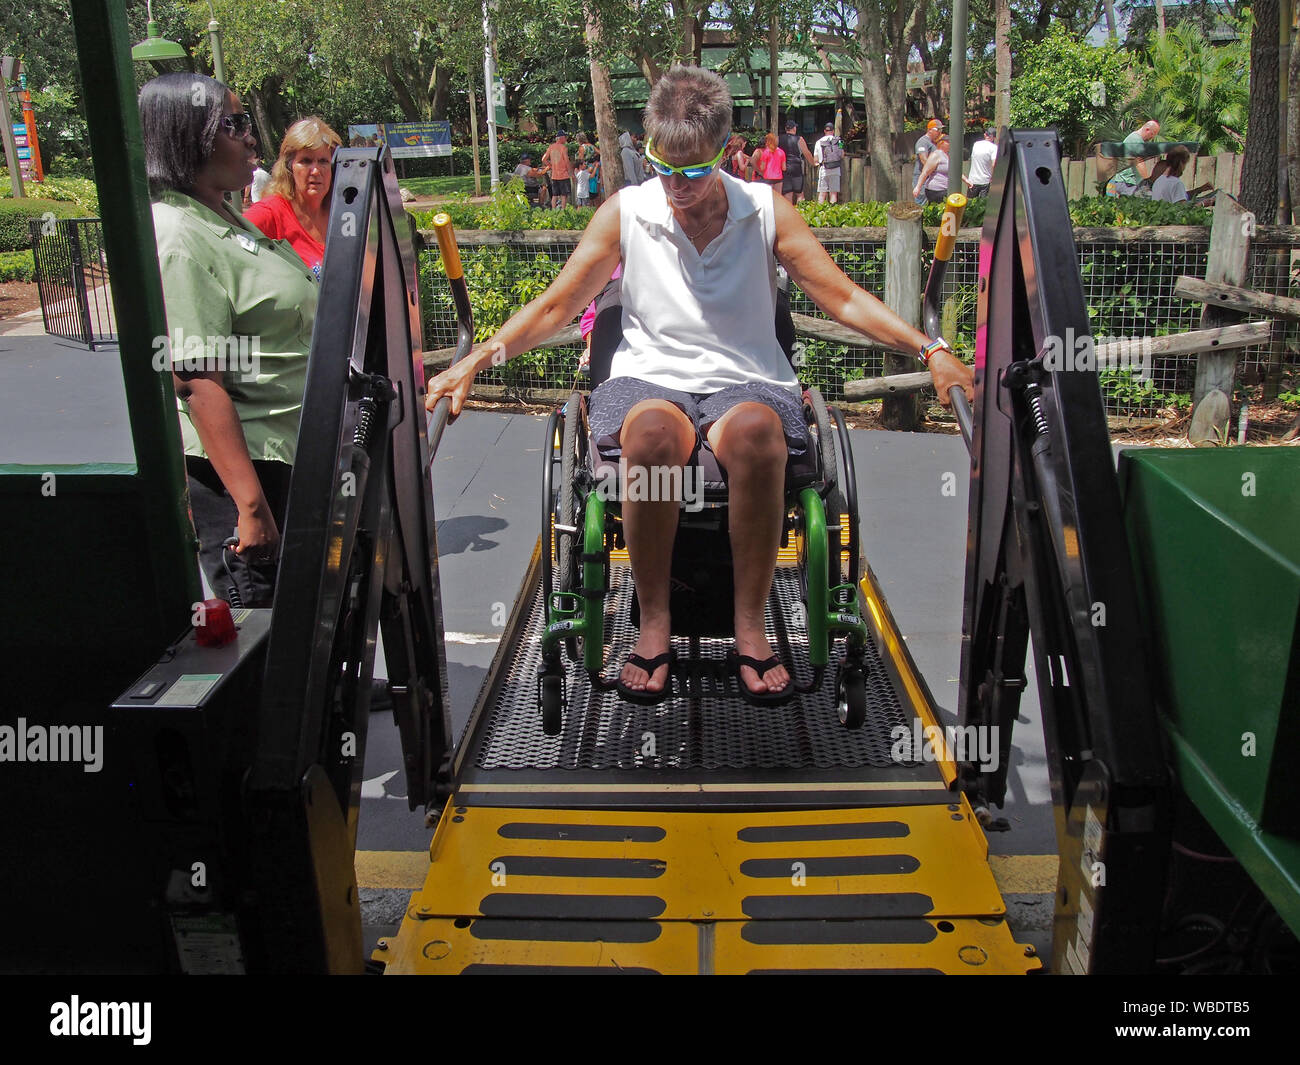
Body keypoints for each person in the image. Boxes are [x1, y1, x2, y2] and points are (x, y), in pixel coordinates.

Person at [425, 66, 973, 705]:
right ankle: (653, 623)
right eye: (663, 166)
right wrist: (477, 359)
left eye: (693, 170)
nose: (677, 186)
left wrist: (931, 348)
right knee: (653, 437)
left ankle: (749, 625)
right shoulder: (627, 211)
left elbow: (844, 298)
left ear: (724, 154)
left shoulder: (766, 211)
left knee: (759, 434)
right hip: (648, 377)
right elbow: (555, 305)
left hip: (747, 377)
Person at [140, 73, 319, 607]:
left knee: (310, 618)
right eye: (233, 124)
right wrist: (251, 505)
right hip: (251, 471)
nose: (250, 138)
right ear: (185, 135)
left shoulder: (228, 217)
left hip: (291, 454)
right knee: (265, 629)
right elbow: (196, 381)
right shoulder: (177, 234)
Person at [243, 117, 342, 280]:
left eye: (323, 161)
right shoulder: (268, 214)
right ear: (289, 167)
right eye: (306, 161)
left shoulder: (342, 214)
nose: (316, 170)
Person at [1107, 119, 1161, 197]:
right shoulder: (1135, 140)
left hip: (1127, 182)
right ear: (1147, 129)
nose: (1152, 137)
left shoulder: (1134, 139)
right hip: (1127, 182)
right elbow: (1139, 163)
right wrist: (1147, 182)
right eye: (1152, 134)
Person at [779, 119, 815, 204]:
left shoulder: (778, 138)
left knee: (788, 193)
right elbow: (807, 153)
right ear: (794, 128)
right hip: (796, 167)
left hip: (784, 168)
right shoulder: (799, 139)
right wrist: (813, 163)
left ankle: (789, 214)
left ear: (785, 128)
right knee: (799, 193)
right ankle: (801, 212)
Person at [912, 119, 943, 205]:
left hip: (930, 179)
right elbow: (923, 160)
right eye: (937, 130)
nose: (940, 132)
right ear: (929, 130)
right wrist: (935, 170)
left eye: (941, 130)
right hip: (921, 179)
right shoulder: (923, 142)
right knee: (922, 204)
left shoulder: (933, 143)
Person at [914, 134, 950, 204]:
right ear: (942, 143)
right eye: (948, 142)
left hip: (945, 189)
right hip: (935, 190)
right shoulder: (936, 154)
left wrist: (967, 181)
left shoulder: (948, 155)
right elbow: (925, 171)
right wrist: (918, 187)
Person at [813, 123, 843, 204]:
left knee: (822, 193)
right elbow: (842, 154)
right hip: (836, 169)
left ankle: (820, 211)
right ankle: (832, 210)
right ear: (833, 131)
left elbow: (815, 159)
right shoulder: (839, 141)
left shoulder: (818, 142)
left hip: (824, 169)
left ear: (824, 131)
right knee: (833, 193)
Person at [964, 126, 997, 198]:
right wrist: (993, 177)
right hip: (985, 181)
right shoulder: (994, 148)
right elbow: (994, 164)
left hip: (972, 180)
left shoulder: (976, 144)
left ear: (985, 135)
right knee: (982, 205)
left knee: (970, 205)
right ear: (994, 137)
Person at [545, 130, 573, 209]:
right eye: (565, 137)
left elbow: (544, 159)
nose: (566, 139)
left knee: (554, 195)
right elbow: (567, 161)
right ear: (561, 138)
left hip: (554, 175)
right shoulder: (563, 148)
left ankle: (554, 211)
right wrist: (571, 173)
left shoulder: (551, 147)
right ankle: (563, 211)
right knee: (564, 195)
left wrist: (551, 166)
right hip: (563, 175)